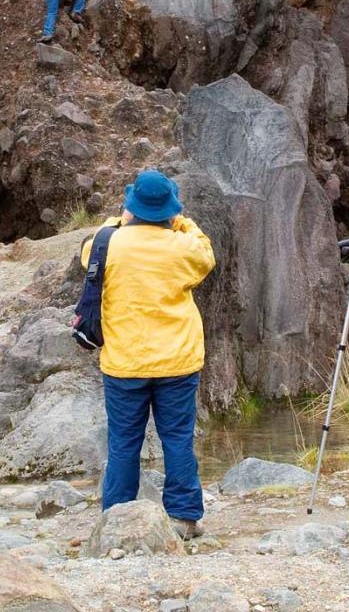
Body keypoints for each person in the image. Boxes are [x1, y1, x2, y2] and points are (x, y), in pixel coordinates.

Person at [80, 170, 216, 539]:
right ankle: (185, 516)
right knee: (177, 438)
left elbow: (86, 253)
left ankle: (118, 517)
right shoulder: (183, 247)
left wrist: (117, 220)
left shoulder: (108, 243)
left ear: (132, 206)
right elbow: (206, 253)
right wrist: (182, 221)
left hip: (125, 362)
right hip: (178, 361)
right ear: (169, 210)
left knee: (124, 442)